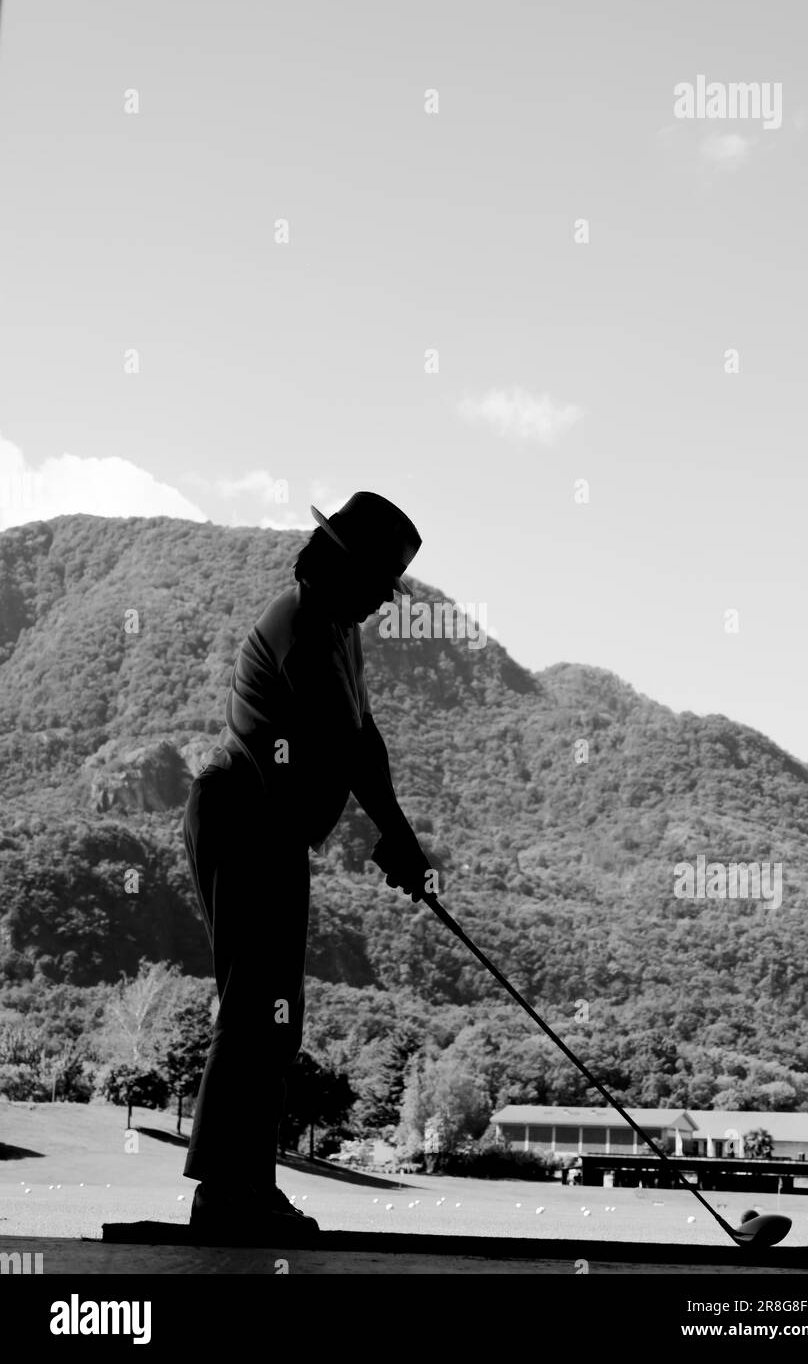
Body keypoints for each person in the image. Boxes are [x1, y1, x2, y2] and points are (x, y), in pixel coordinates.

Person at [181, 492, 430, 1243]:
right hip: (241, 821)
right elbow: (346, 750)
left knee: (276, 1022)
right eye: (381, 579)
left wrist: (402, 840)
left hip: (278, 836)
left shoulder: (336, 629)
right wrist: (397, 840)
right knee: (255, 1010)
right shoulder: (297, 630)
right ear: (340, 565)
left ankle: (247, 1186)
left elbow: (366, 733)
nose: (387, 597)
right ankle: (224, 1195)